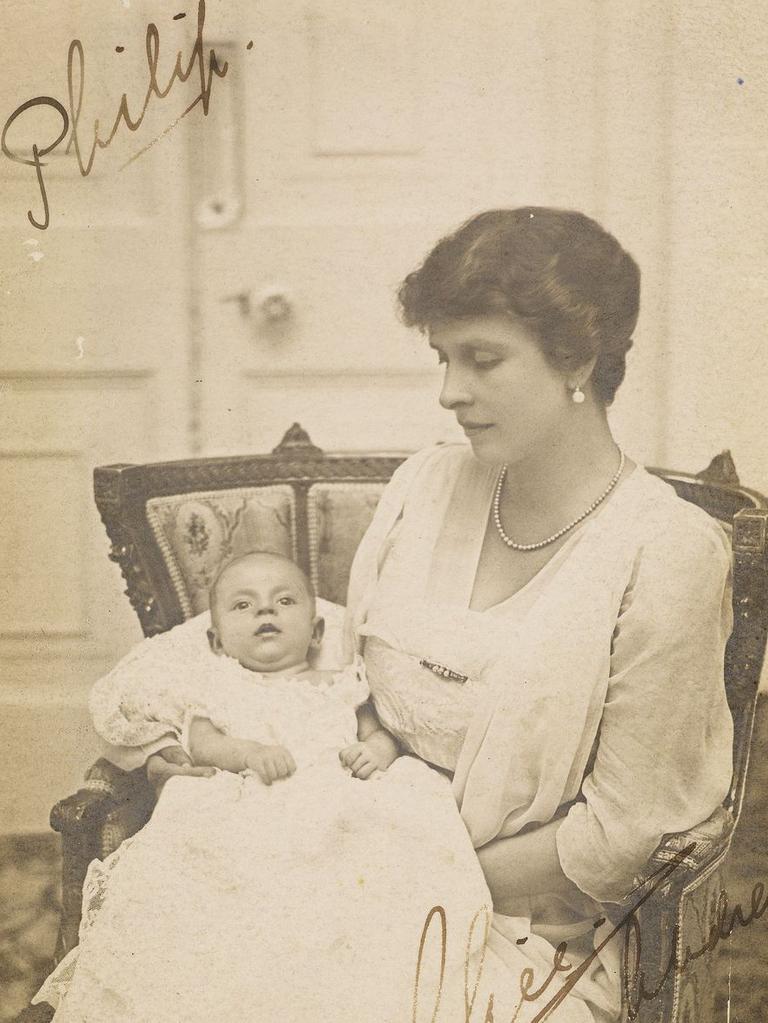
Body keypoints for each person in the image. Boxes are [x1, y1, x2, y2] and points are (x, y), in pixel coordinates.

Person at [41, 206, 733, 1022]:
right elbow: (333, 679)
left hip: (515, 927)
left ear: (578, 355)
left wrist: (391, 873)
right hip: (326, 858)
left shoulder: (665, 551)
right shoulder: (428, 486)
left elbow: (626, 836)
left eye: (482, 360)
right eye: (443, 358)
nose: (449, 393)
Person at [34, 551, 495, 1022]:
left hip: (338, 807)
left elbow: (378, 733)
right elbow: (204, 743)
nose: (265, 612)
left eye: (285, 601)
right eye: (243, 605)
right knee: (232, 905)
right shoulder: (220, 686)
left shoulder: (341, 683)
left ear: (316, 632)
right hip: (250, 807)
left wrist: (376, 752)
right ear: (215, 641)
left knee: (368, 890)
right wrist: (249, 753)